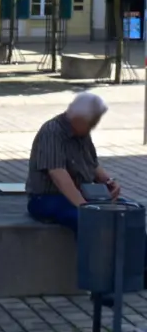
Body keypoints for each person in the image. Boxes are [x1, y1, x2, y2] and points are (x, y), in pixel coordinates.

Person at [27, 91, 119, 230]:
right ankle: (94, 251)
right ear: (77, 118)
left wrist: (108, 181)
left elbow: (92, 164)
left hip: (82, 193)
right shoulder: (52, 131)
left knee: (128, 212)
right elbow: (58, 175)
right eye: (91, 122)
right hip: (47, 198)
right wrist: (85, 207)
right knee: (87, 220)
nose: (93, 126)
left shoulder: (82, 132)